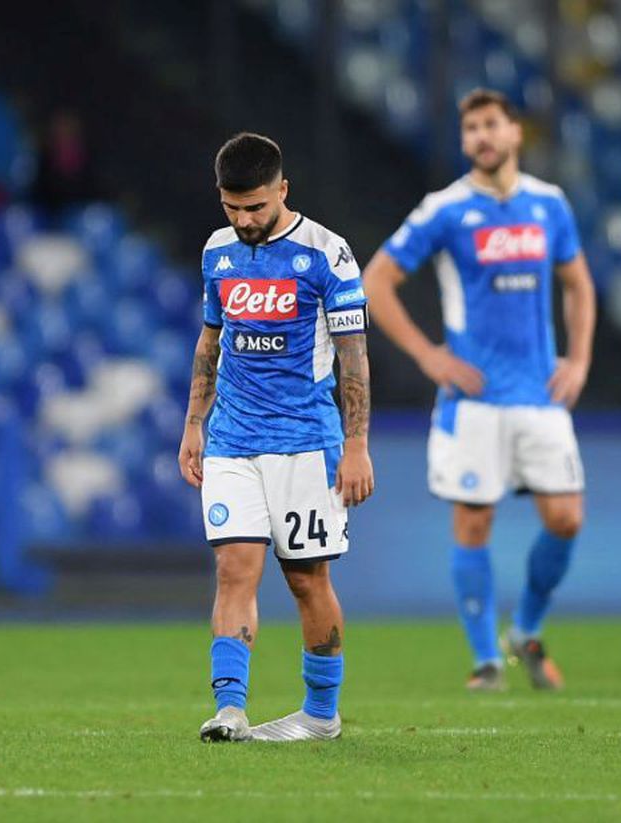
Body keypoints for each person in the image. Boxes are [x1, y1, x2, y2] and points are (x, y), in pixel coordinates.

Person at [362, 89, 595, 691]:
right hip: (474, 400)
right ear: (465, 141)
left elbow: (578, 284)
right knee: (472, 524)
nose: (482, 137)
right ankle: (485, 659)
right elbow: (377, 279)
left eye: (491, 125)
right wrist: (426, 354)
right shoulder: (445, 209)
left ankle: (527, 629)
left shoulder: (549, 204)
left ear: (515, 134)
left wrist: (580, 358)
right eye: (471, 129)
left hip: (539, 395)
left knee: (567, 518)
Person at [179, 133, 374, 742]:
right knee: (234, 570)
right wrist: (194, 424)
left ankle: (321, 715)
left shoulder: (327, 253)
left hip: (306, 442)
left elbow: (354, 358)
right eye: (233, 208)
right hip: (233, 438)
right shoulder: (218, 253)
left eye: (257, 207)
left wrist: (358, 444)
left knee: (306, 579)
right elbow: (211, 342)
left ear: (283, 191)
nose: (244, 220)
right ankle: (230, 709)